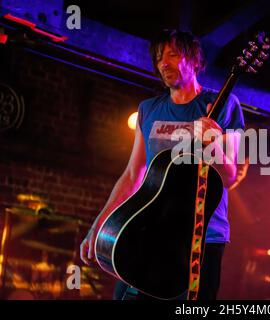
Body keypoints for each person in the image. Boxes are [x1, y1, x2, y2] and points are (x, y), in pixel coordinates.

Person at [80, 29, 245, 300]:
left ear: (193, 61)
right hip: (150, 229)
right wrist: (98, 225)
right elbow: (133, 174)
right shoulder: (148, 109)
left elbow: (229, 175)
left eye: (172, 55)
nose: (163, 64)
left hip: (201, 237)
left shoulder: (222, 104)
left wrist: (212, 142)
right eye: (159, 58)